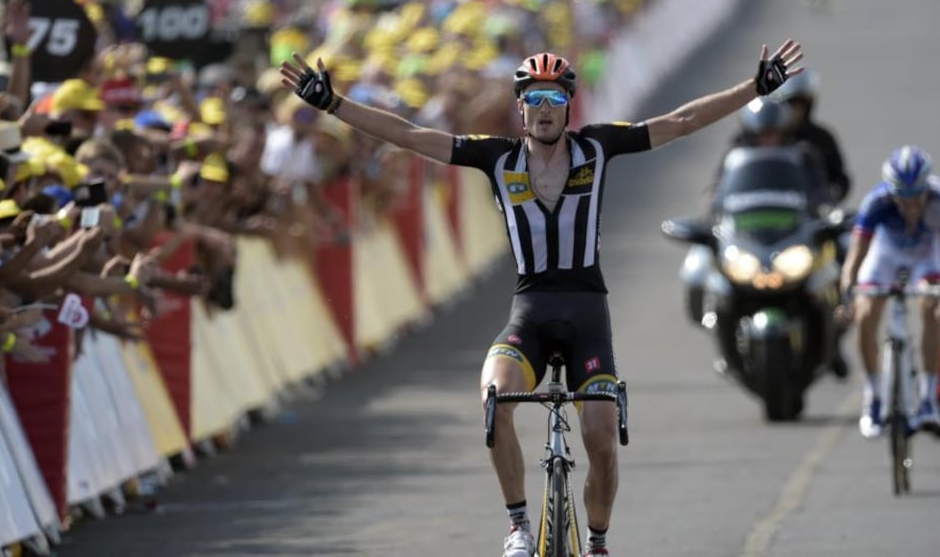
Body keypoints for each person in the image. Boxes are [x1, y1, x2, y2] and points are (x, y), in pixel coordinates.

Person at [281, 40, 804, 557]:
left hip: (587, 315)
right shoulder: (495, 157)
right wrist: (333, 104)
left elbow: (682, 121)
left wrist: (755, 88)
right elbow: (409, 135)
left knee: (601, 439)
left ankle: (597, 543)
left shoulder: (598, 146)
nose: (545, 108)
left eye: (555, 98)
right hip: (530, 312)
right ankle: (518, 526)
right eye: (535, 98)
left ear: (569, 105)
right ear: (521, 106)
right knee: (494, 399)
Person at [839, 146, 940, 439]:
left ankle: (928, 399)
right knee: (866, 313)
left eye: (917, 197)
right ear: (891, 192)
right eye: (902, 199)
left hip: (925, 256)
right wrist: (847, 299)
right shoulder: (876, 202)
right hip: (886, 255)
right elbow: (854, 260)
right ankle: (873, 397)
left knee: (930, 307)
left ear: (927, 188)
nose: (911, 206)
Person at [773, 69, 850, 205]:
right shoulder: (767, 136)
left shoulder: (822, 138)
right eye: (790, 106)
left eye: (799, 107)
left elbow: (840, 179)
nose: (795, 112)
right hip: (771, 207)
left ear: (808, 108)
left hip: (810, 211)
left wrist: (831, 196)